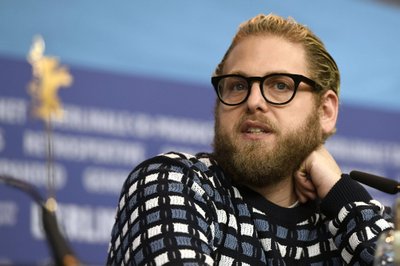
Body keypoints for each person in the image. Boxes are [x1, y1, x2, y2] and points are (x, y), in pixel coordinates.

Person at [106, 14, 393, 265]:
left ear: (325, 112)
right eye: (238, 86)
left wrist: (343, 194)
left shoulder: (355, 221)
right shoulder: (173, 183)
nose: (254, 101)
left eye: (280, 85)